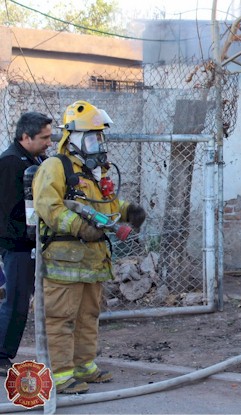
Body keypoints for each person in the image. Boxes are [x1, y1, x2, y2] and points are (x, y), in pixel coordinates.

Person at [33, 101, 146, 394]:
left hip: (93, 261)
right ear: (72, 137)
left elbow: (104, 206)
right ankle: (61, 376)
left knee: (88, 316)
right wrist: (81, 227)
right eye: (92, 136)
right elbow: (50, 208)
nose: (99, 142)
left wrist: (127, 210)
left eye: (100, 136)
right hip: (64, 260)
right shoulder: (54, 167)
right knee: (61, 318)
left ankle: (85, 367)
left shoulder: (96, 171)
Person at [0, 112, 54, 375]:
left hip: (33, 242)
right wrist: (26, 237)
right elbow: (9, 211)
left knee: (28, 299)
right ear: (25, 136)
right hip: (18, 245)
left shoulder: (37, 159)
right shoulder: (10, 162)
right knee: (17, 301)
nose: (49, 142)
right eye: (44, 137)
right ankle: (1, 355)